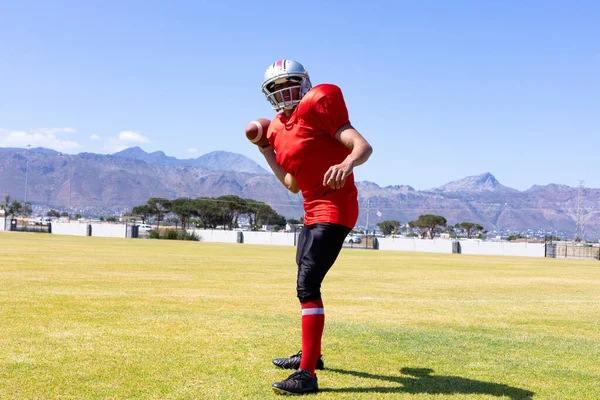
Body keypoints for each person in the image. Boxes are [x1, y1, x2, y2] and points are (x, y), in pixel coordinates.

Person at [257, 59, 373, 395]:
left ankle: (307, 374)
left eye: (288, 84)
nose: (283, 92)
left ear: (304, 83)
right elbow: (291, 183)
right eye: (276, 88)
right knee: (306, 281)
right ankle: (312, 354)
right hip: (311, 210)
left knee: (307, 285)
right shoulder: (278, 128)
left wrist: (347, 162)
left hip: (336, 208)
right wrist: (266, 149)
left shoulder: (320, 102)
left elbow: (362, 146)